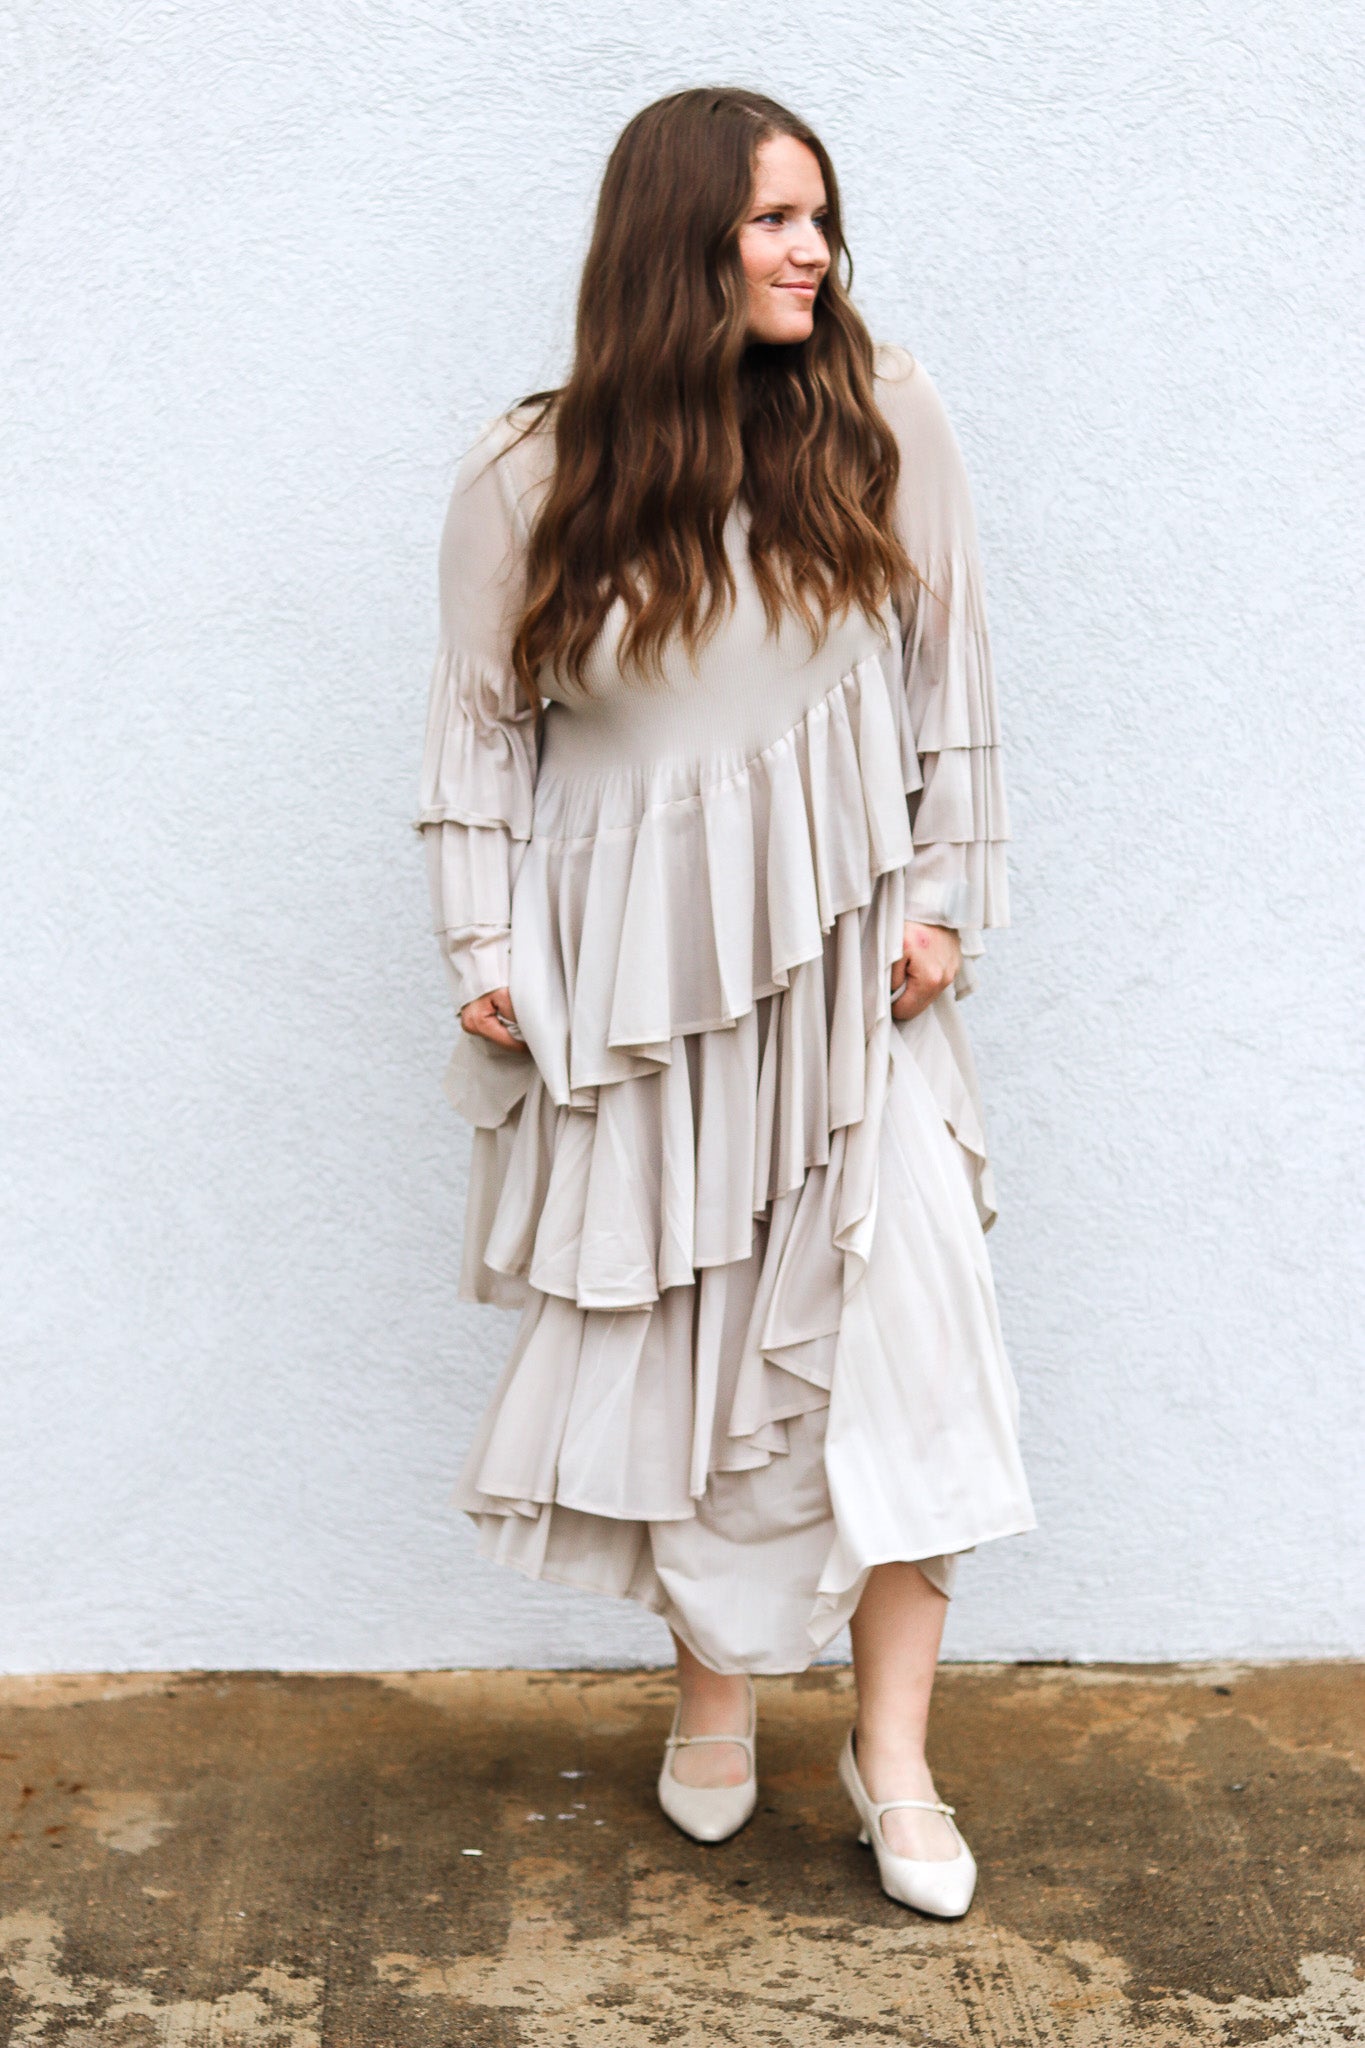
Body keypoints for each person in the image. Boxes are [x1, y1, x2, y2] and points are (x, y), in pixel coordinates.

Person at [416, 86, 1035, 1918]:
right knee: (684, 1362)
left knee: (912, 1354)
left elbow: (952, 679)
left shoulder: (884, 418)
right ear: (671, 238)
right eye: (771, 220)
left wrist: (937, 904)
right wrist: (485, 949)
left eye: (820, 221)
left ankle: (893, 1753)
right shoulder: (530, 473)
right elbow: (474, 730)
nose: (810, 251)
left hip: (856, 988)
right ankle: (713, 1700)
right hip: (636, 1006)